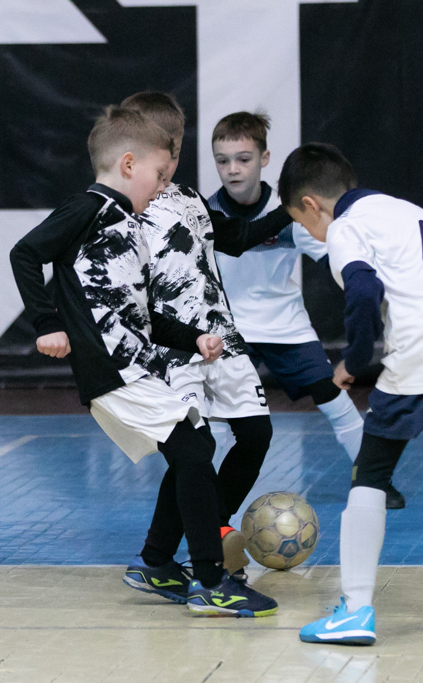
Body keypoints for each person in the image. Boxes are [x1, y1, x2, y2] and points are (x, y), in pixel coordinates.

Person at [9, 106, 276, 618]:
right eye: (157, 174)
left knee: (194, 447)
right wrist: (46, 323)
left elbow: (140, 313)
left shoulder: (128, 224)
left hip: (135, 364)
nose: (162, 185)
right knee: (194, 449)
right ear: (128, 164)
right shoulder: (88, 207)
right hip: (111, 369)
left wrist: (194, 337)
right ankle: (211, 582)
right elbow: (25, 253)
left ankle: (158, 563)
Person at [279, 143, 423, 645]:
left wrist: (355, 359)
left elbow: (364, 290)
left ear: (311, 206)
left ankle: (355, 610)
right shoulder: (411, 212)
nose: (311, 235)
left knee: (370, 473)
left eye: (303, 224)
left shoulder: (345, 228)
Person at [118, 92, 293, 584]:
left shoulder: (189, 198)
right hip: (171, 346)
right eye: (164, 150)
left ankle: (206, 527)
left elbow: (234, 240)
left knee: (256, 434)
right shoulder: (120, 208)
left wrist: (292, 209)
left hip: (221, 337)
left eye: (175, 150)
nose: (171, 160)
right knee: (194, 449)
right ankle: (177, 555)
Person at [208, 111, 405, 510]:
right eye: (223, 160)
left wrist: (369, 289)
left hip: (286, 327)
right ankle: (209, 493)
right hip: (227, 330)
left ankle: (374, 480)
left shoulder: (291, 213)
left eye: (243, 159)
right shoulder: (205, 211)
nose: (233, 169)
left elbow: (336, 260)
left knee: (333, 395)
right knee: (219, 415)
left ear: (264, 159)